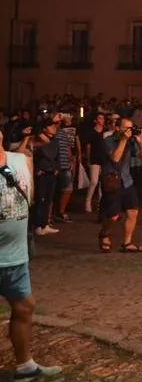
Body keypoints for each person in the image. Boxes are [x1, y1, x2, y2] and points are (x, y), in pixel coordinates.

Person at [0, 132, 62, 379]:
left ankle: (25, 365)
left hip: (15, 256)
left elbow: (31, 199)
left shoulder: (21, 159)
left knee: (24, 307)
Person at [98, 118, 142, 253]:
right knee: (113, 216)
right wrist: (124, 140)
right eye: (126, 128)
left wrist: (141, 144)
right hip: (112, 182)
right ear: (117, 128)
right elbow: (115, 159)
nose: (129, 131)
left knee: (133, 212)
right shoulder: (107, 141)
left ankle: (127, 243)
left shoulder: (131, 141)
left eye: (130, 128)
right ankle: (104, 233)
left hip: (127, 181)